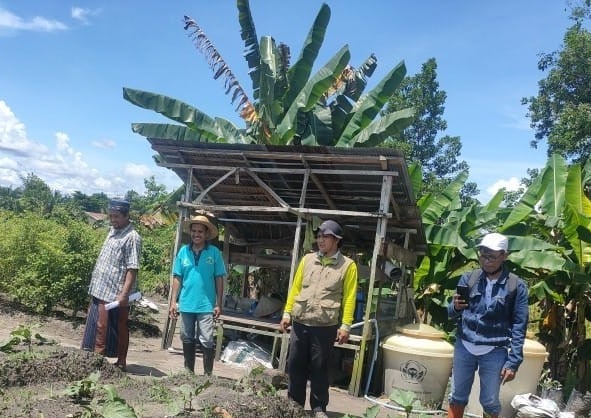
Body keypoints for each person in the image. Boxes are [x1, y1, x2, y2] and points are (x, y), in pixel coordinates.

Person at [279, 219, 358, 418]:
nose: (320, 240)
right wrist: (287, 313)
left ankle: (318, 408)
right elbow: (295, 288)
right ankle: (294, 406)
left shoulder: (347, 266)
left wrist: (346, 325)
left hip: (325, 325)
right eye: (319, 236)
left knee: (320, 368)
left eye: (326, 237)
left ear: (337, 240)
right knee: (295, 365)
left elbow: (350, 297)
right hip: (300, 322)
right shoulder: (307, 260)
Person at [447, 232, 529, 418]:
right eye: (483, 255)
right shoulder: (469, 279)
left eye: (492, 256)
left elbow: (519, 325)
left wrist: (513, 361)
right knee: (457, 396)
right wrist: (456, 307)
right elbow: (450, 313)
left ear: (504, 256)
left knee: (490, 401)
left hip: (494, 350)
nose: (486, 260)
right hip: (464, 346)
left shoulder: (516, 286)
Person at [81, 199, 142, 370]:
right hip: (101, 287)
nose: (113, 219)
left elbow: (132, 268)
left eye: (116, 216)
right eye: (111, 216)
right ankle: (96, 358)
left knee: (115, 325)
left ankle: (116, 361)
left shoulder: (132, 237)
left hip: (116, 291)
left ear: (127, 216)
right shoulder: (112, 231)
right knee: (98, 324)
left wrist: (124, 294)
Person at [169, 214, 226, 375]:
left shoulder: (214, 252)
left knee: (207, 339)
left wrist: (218, 304)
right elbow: (177, 277)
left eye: (200, 231)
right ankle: (189, 373)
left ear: (206, 234)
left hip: (206, 305)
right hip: (186, 303)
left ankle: (207, 374)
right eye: (194, 231)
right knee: (186, 337)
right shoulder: (183, 252)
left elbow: (219, 278)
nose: (196, 234)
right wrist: (173, 302)